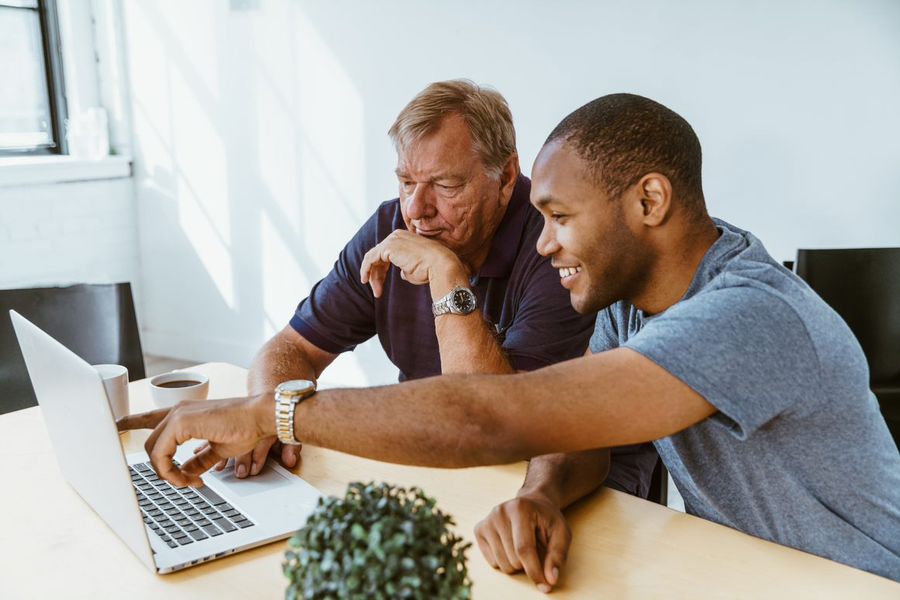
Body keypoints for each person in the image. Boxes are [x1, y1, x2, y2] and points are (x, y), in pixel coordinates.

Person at [121, 93, 900, 589]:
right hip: (755, 575)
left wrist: (270, 414)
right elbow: (579, 438)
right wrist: (538, 495)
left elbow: (493, 417)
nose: (548, 242)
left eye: (560, 217)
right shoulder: (636, 302)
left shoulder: (749, 315)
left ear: (649, 201)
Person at [226, 79, 657, 503]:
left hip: (571, 487)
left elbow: (498, 429)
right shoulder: (391, 226)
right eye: (407, 181)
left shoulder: (557, 242)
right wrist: (268, 419)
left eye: (446, 186)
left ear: (506, 177)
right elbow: (290, 349)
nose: (416, 210)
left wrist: (446, 275)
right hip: (440, 466)